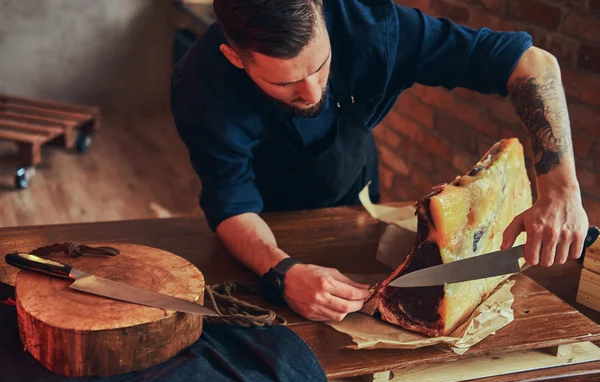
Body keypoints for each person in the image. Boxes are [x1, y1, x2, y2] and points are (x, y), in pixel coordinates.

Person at [170, 0, 589, 322]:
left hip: (356, 201)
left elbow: (531, 63)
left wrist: (560, 189)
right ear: (235, 57)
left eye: (320, 66)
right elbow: (232, 204)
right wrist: (282, 273)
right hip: (263, 226)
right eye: (285, 82)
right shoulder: (199, 84)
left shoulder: (372, 25)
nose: (313, 94)